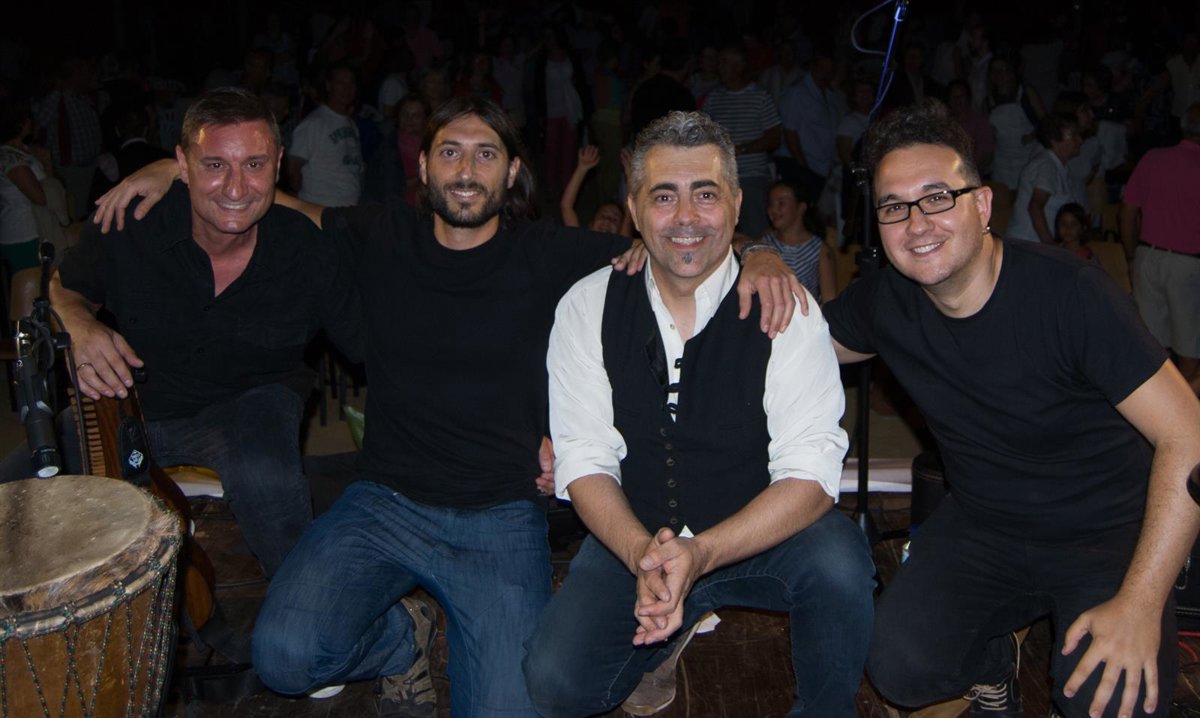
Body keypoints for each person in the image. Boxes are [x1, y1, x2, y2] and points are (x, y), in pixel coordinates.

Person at [99, 96, 804, 716]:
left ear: (513, 172)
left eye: (486, 154)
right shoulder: (382, 235)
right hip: (384, 502)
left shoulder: (551, 253)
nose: (467, 170)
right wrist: (176, 174)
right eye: (451, 152)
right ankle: (403, 638)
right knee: (285, 658)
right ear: (424, 166)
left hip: (500, 514)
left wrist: (761, 256)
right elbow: (262, 201)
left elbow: (683, 236)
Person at [823, 99, 1200, 718]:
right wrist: (761, 260)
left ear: (982, 204)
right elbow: (792, 340)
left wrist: (1140, 603)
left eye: (937, 197)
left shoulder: (1070, 294)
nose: (916, 223)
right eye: (894, 207)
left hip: (1107, 535)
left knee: (1111, 702)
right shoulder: (887, 300)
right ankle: (994, 664)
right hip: (986, 525)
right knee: (899, 665)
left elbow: (1188, 436)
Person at [523, 111, 875, 717]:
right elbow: (585, 457)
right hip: (638, 532)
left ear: (736, 206)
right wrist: (641, 553)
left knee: (841, 564)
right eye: (664, 196)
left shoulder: (786, 307)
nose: (686, 217)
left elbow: (814, 472)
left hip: (756, 531)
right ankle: (671, 622)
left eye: (705, 194)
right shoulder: (587, 304)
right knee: (555, 685)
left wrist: (704, 553)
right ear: (634, 211)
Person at [50, 87, 362, 579]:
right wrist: (81, 325)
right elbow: (66, 286)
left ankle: (305, 608)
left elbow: (374, 344)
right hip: (135, 400)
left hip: (250, 404)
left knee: (270, 484)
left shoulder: (307, 250)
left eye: (254, 164)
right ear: (182, 163)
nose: (236, 188)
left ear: (278, 165)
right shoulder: (132, 222)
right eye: (215, 165)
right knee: (32, 478)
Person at [1121, 102, 1200, 396]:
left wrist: (1131, 255)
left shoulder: (1153, 158)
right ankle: (1181, 411)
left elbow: (1127, 213)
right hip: (1187, 264)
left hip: (1147, 257)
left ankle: (1154, 408)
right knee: (1190, 350)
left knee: (1151, 348)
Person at [285, 64, 364, 207]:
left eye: (351, 83)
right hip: (321, 207)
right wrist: (307, 202)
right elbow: (293, 169)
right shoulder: (313, 123)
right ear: (329, 86)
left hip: (349, 208)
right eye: (341, 82)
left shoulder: (351, 124)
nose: (346, 88)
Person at [1004, 113, 1082, 244]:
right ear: (1054, 140)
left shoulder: (1060, 168)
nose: (1080, 140)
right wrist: (1050, 246)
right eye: (1073, 135)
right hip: (1028, 244)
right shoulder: (1046, 166)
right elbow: (1035, 207)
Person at [763, 179, 836, 303]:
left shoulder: (820, 251)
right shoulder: (763, 244)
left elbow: (829, 300)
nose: (773, 210)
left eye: (781, 203)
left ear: (801, 207)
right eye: (771, 204)